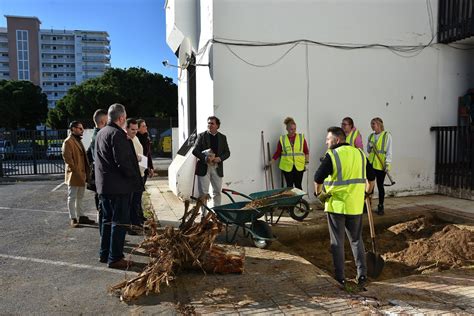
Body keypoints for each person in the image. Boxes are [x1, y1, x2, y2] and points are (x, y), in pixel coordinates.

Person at [314, 126, 375, 288]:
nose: (326, 142)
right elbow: (372, 178)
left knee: (338, 243)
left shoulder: (332, 155)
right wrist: (367, 193)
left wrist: (318, 194)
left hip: (336, 207)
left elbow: (317, 178)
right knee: (356, 240)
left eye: (328, 139)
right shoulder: (361, 154)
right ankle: (362, 276)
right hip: (355, 206)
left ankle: (340, 278)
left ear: (337, 140)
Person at [95, 103, 143, 269]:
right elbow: (122, 162)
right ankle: (115, 257)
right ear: (122, 118)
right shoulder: (117, 134)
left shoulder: (101, 133)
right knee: (119, 222)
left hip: (104, 187)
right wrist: (133, 179)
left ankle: (104, 253)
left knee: (107, 221)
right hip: (119, 188)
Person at [192, 116, 230, 210]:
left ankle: (216, 214)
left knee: (217, 192)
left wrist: (220, 158)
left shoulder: (222, 137)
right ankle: (203, 216)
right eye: (208, 123)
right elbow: (195, 151)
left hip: (217, 167)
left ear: (217, 125)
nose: (209, 125)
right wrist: (205, 158)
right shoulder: (201, 136)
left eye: (212, 123)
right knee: (203, 193)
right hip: (204, 167)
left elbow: (227, 153)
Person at [61, 121, 95, 227]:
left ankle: (81, 216)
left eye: (82, 128)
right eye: (80, 128)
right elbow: (68, 159)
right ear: (73, 129)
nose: (82, 130)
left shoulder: (77, 140)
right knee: (72, 197)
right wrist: (76, 172)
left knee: (80, 196)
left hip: (82, 173)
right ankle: (73, 218)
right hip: (74, 175)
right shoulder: (68, 142)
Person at [269, 117, 309, 189]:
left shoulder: (301, 138)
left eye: (294, 129)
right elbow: (278, 152)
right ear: (287, 129)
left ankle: (299, 200)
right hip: (287, 166)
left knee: (298, 185)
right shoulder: (283, 139)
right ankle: (291, 200)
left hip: (299, 166)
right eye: (291, 129)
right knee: (289, 186)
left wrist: (306, 163)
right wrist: (271, 162)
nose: (293, 131)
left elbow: (306, 151)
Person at [86, 109, 107, 232]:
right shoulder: (100, 136)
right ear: (103, 121)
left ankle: (103, 236)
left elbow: (88, 155)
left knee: (102, 208)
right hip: (102, 179)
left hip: (99, 178)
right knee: (103, 210)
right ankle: (104, 236)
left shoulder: (96, 135)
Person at [367, 117, 392, 216]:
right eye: (371, 124)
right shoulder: (371, 136)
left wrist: (387, 163)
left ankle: (381, 206)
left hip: (381, 165)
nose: (372, 125)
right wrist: (369, 146)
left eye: (374, 123)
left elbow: (389, 151)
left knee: (380, 185)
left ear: (379, 124)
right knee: (370, 186)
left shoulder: (387, 135)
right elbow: (369, 151)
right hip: (371, 164)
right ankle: (368, 205)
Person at [126, 118, 146, 230]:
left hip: (140, 174)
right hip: (132, 176)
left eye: (136, 129)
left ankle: (136, 222)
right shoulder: (126, 140)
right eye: (132, 129)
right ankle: (131, 225)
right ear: (127, 128)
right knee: (131, 202)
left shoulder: (136, 138)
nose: (135, 131)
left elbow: (141, 154)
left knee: (136, 201)